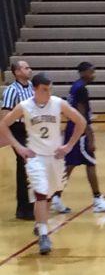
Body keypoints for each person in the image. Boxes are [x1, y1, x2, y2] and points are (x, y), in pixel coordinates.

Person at [0, 73, 87, 255]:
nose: (48, 93)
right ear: (35, 90)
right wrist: (18, 147)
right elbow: (3, 124)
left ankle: (40, 224)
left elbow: (81, 121)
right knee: (40, 193)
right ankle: (44, 235)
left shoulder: (58, 103)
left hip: (55, 157)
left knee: (48, 195)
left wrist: (69, 145)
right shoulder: (25, 106)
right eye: (44, 90)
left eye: (50, 89)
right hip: (35, 157)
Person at [51, 63, 105, 214]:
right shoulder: (81, 89)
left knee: (70, 165)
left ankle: (56, 197)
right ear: (83, 73)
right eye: (91, 72)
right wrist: (90, 137)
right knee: (90, 163)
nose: (94, 74)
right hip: (79, 132)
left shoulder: (75, 87)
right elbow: (81, 116)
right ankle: (98, 200)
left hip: (71, 130)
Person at [2, 60, 34, 220]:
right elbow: (4, 116)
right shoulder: (11, 91)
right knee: (24, 166)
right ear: (17, 72)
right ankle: (23, 208)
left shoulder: (32, 88)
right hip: (18, 129)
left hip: (31, 130)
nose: (30, 70)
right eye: (26, 67)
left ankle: (33, 203)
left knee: (33, 166)